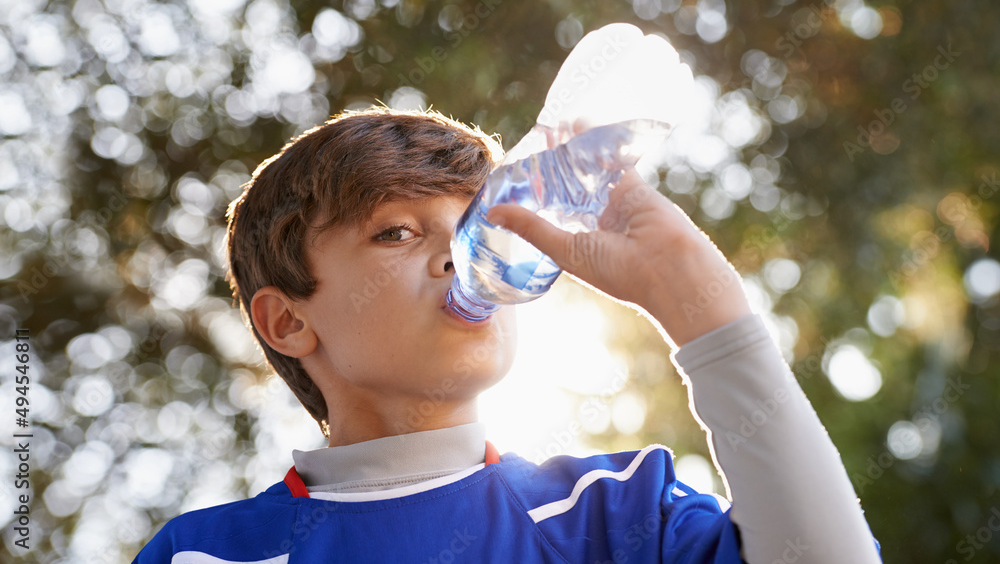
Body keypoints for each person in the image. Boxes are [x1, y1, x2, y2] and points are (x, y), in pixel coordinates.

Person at [132, 107, 881, 563]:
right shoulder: (204, 554)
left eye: (476, 225)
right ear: (288, 320)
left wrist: (700, 302)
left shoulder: (616, 512)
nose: (460, 256)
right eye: (395, 233)